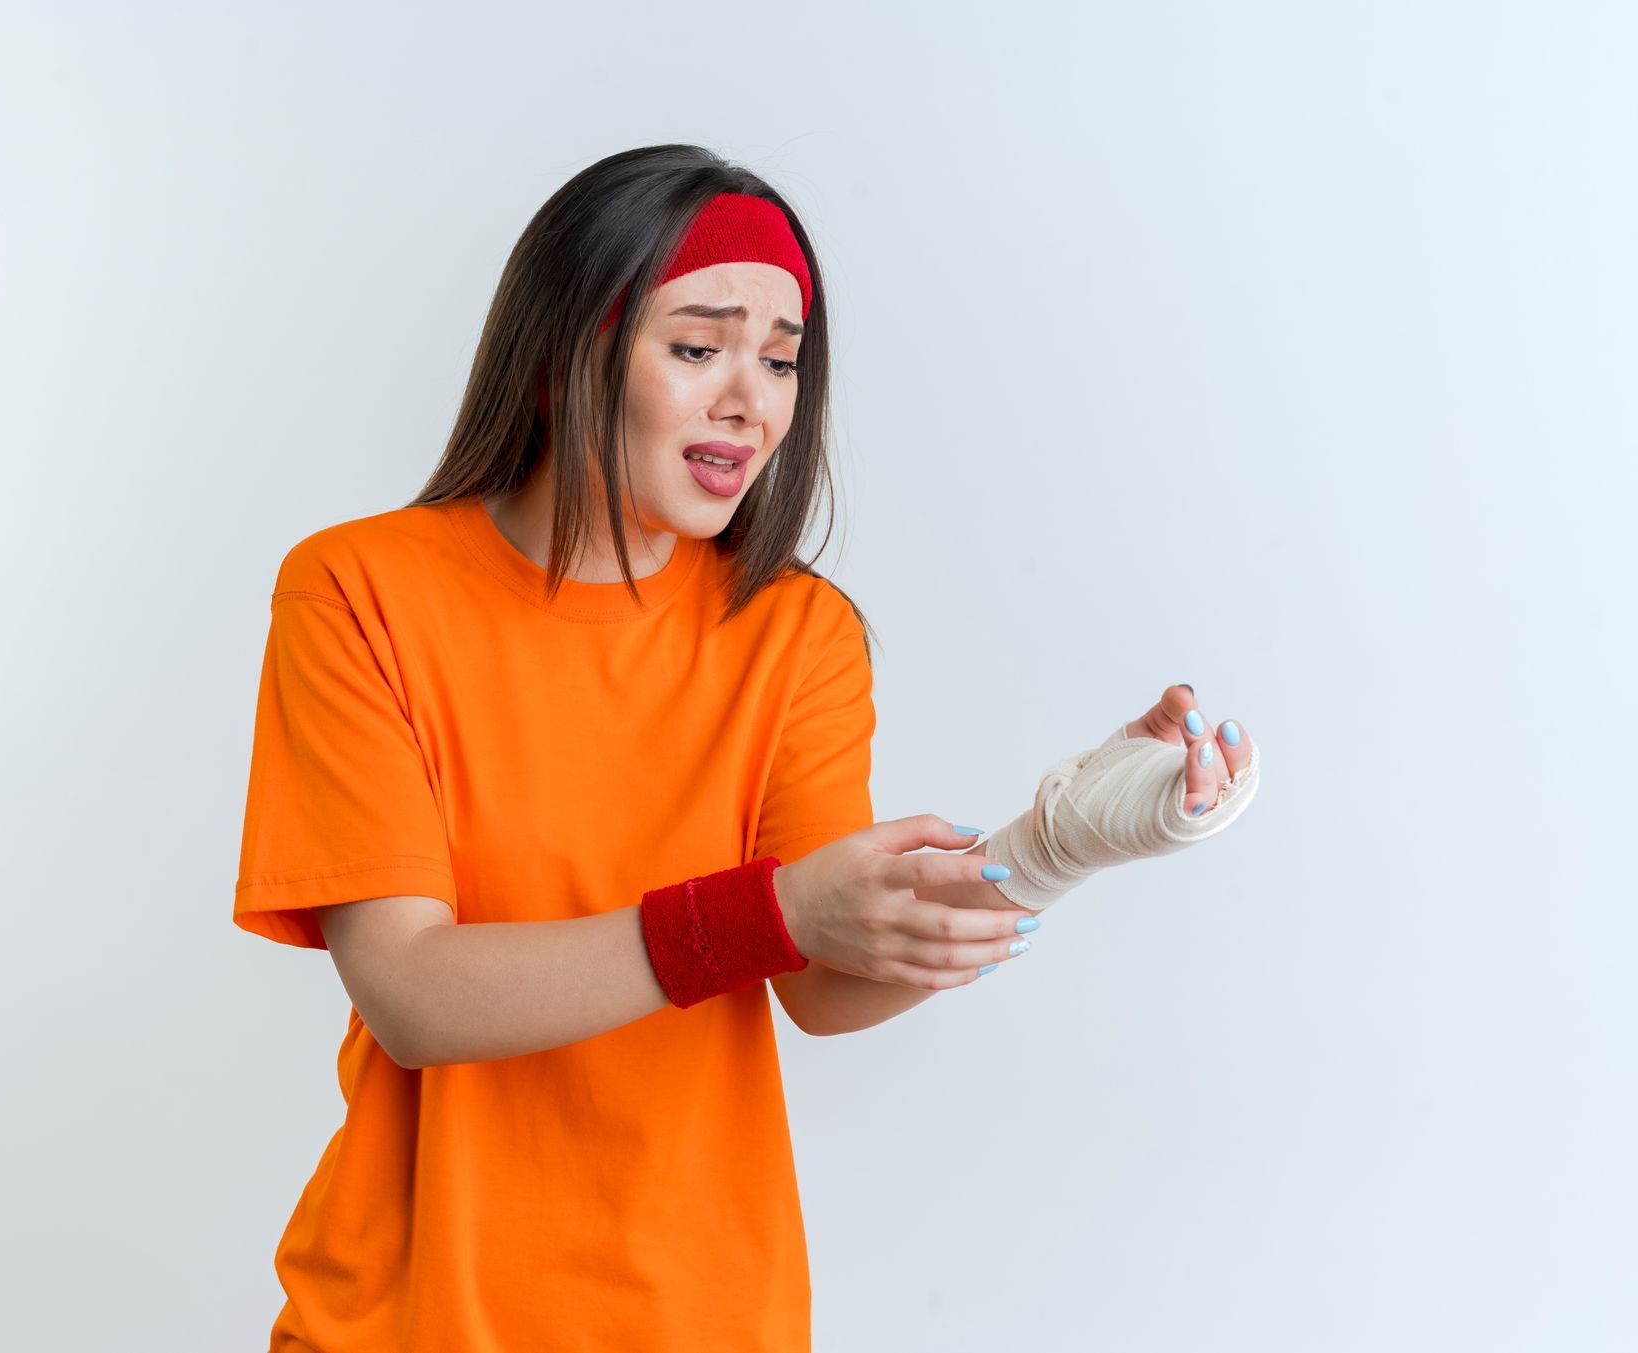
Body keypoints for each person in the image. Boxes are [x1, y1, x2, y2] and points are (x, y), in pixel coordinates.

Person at [232, 143, 1256, 1352]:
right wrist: (762, 916)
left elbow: (824, 979)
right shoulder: (359, 592)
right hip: (405, 1321)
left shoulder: (796, 633)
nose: (751, 402)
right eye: (697, 347)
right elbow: (411, 994)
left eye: (780, 360)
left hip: (705, 1316)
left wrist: (1057, 844)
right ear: (567, 355)